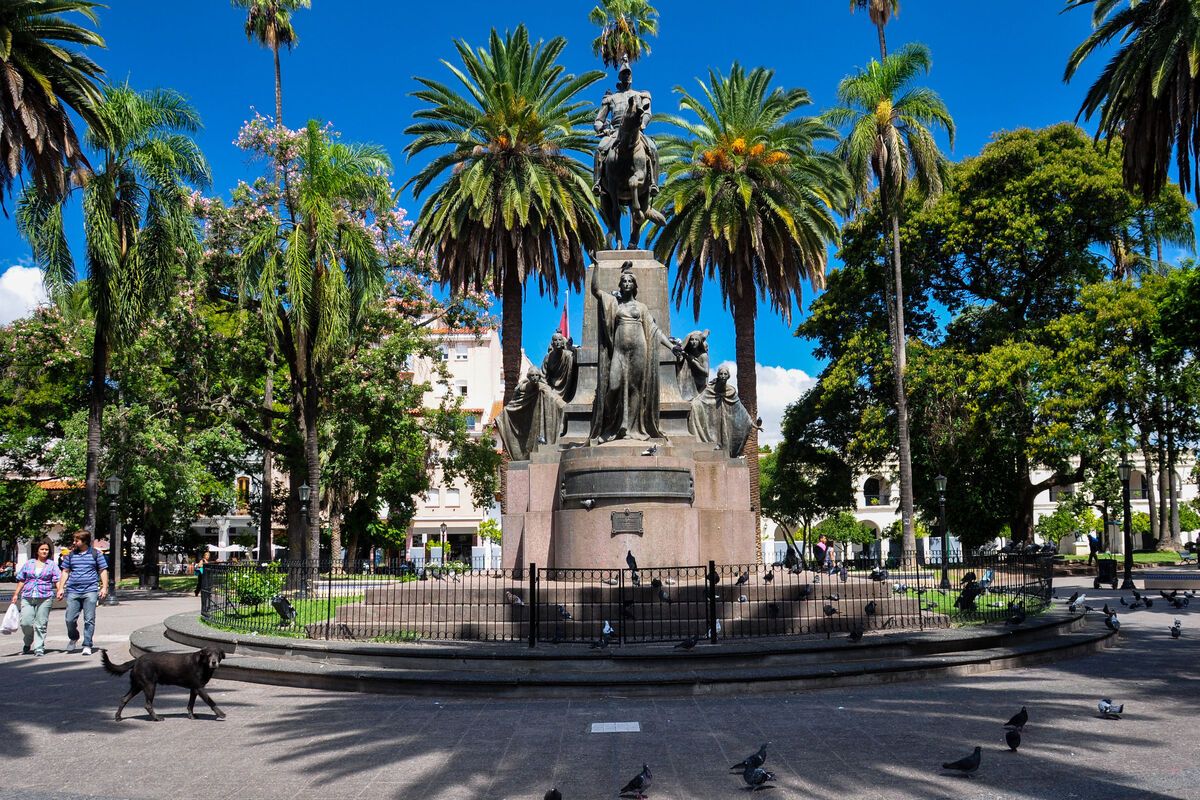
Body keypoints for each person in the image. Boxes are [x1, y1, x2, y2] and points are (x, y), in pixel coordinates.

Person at [56, 530, 109, 656]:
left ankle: (87, 644)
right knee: (69, 619)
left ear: (85, 541)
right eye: (74, 540)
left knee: (89, 619)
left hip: (90, 590)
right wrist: (61, 588)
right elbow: (65, 571)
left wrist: (104, 587)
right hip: (73, 591)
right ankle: (74, 637)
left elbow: (102, 570)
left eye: (77, 540)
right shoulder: (70, 555)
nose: (74, 543)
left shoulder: (96, 554)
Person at [10, 540, 60, 656]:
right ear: (37, 551)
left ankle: (39, 647)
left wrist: (59, 590)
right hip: (28, 596)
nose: (44, 551)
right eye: (42, 549)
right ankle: (28, 640)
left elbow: (56, 579)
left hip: (45, 596)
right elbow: (22, 579)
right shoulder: (29, 563)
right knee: (25, 622)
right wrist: (16, 594)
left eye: (46, 550)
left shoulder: (52, 564)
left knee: (41, 623)